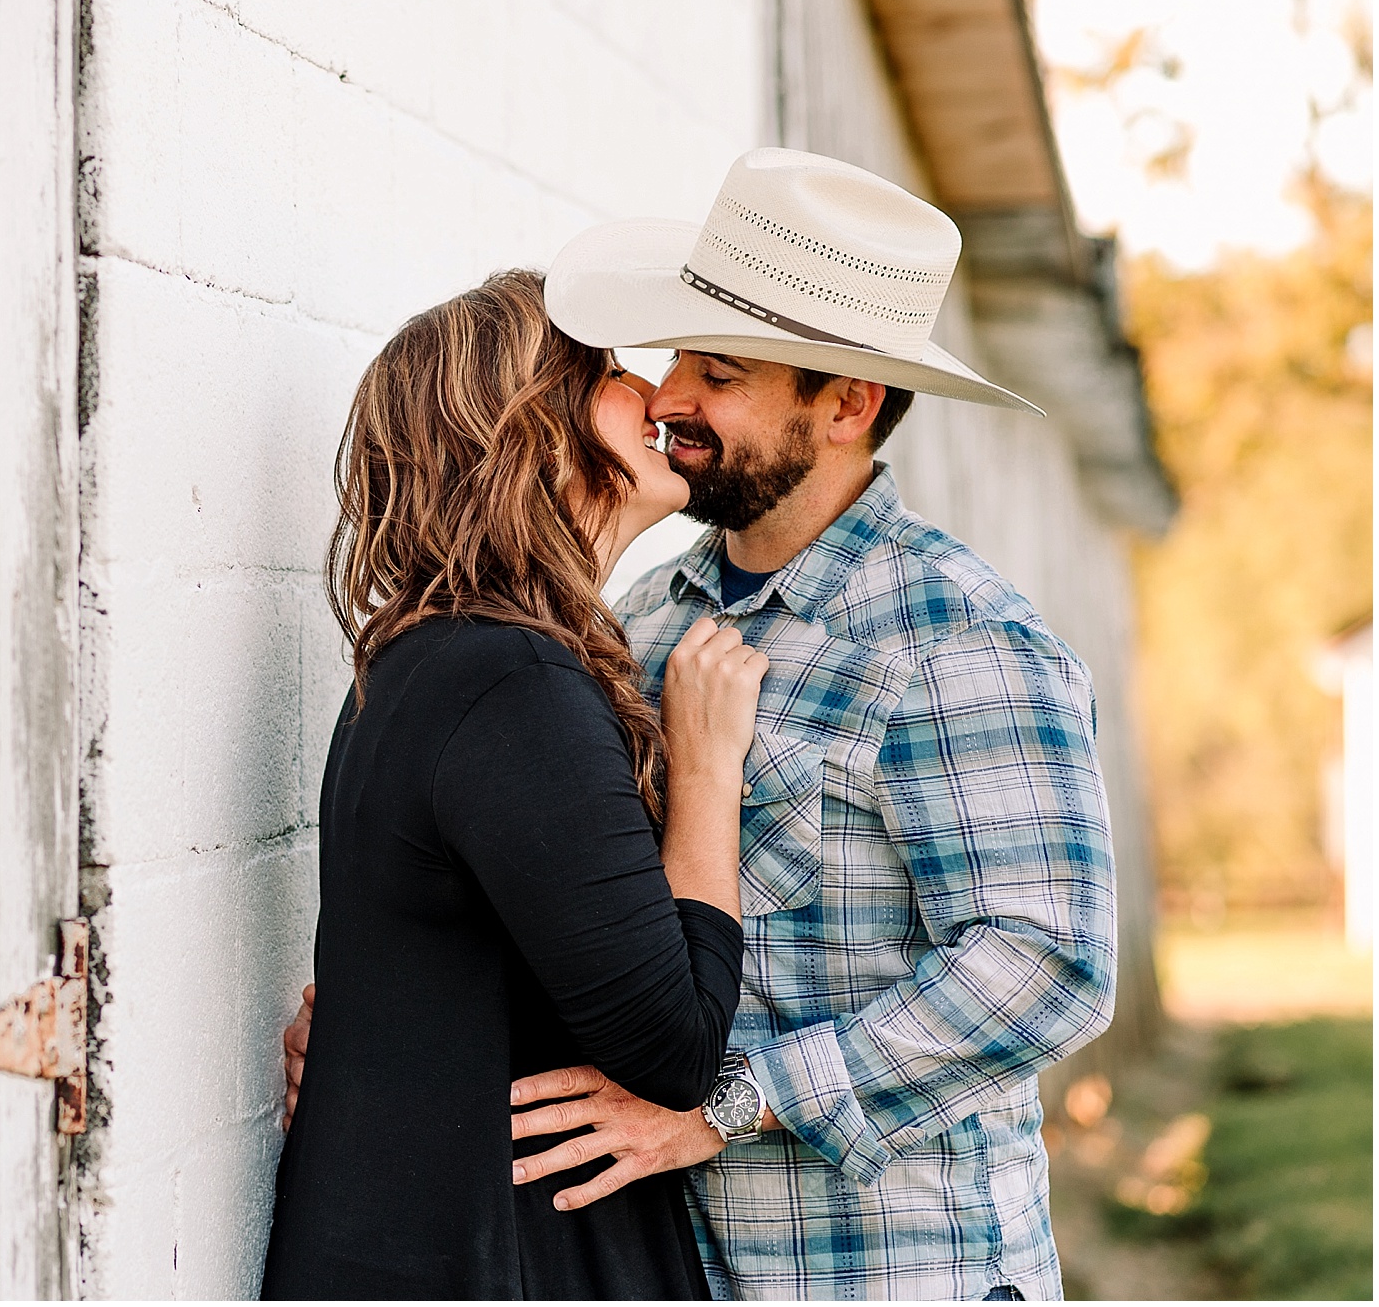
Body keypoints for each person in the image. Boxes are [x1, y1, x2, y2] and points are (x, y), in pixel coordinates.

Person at [282, 150, 1118, 1301]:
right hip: (683, 1258)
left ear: (845, 404)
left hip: (883, 1266)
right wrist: (398, 1025)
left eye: (717, 372)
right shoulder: (637, 620)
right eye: (674, 356)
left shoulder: (955, 641)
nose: (670, 397)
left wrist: (728, 1108)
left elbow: (1046, 964)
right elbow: (584, 908)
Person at [260, 269, 769, 1300]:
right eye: (612, 376)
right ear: (542, 435)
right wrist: (710, 773)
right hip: (498, 1255)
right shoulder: (512, 679)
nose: (654, 399)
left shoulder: (431, 657)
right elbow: (673, 1046)